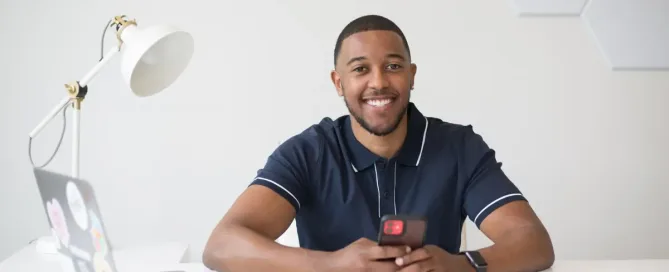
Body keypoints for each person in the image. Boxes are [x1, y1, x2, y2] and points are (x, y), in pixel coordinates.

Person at [202, 14, 554, 272]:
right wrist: (333, 265)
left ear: (412, 76)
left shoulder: (459, 147)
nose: (379, 82)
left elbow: (533, 242)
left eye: (393, 66)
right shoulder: (308, 152)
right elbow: (221, 245)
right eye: (360, 69)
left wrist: (459, 265)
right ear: (338, 83)